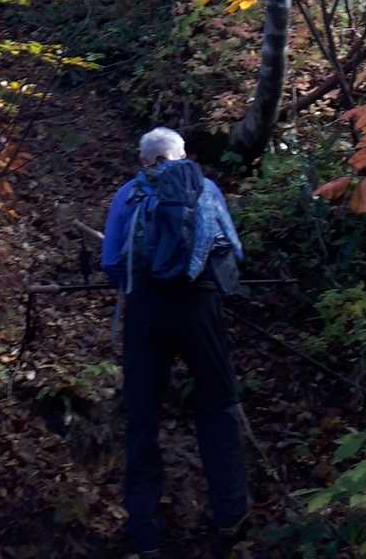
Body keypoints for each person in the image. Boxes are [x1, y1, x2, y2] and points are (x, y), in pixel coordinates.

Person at [101, 127, 249, 558]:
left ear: (144, 160)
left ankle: (145, 532)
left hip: (146, 310)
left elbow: (111, 262)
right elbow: (232, 250)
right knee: (217, 405)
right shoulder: (207, 188)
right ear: (183, 155)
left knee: (142, 417)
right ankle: (230, 514)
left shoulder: (129, 193)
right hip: (200, 307)